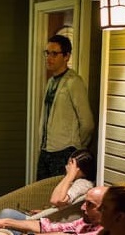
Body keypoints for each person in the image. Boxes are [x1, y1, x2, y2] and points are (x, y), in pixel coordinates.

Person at [36, 35, 94, 180]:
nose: (49, 57)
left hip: (64, 151)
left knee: (59, 196)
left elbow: (87, 123)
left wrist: (75, 145)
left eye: (54, 53)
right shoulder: (51, 82)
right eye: (47, 53)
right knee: (41, 196)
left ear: (67, 56)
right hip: (45, 150)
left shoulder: (73, 82)